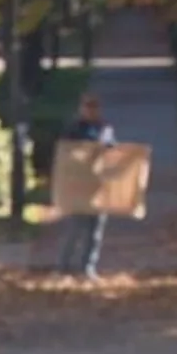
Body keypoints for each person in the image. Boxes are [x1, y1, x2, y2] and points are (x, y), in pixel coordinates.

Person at [57, 92, 115, 279]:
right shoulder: (73, 129)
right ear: (81, 108)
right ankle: (64, 266)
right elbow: (67, 153)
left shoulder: (105, 128)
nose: (90, 110)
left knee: (95, 232)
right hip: (79, 187)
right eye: (87, 106)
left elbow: (113, 149)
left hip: (98, 187)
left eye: (94, 107)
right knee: (75, 229)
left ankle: (88, 267)